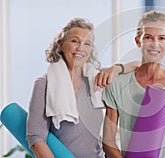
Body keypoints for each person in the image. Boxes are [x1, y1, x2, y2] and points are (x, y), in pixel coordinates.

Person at [26, 17, 140, 158]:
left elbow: (139, 66)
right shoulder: (44, 84)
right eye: (74, 41)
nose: (80, 48)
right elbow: (36, 139)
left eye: (87, 44)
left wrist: (116, 68)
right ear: (61, 44)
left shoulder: (97, 78)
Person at [102, 11, 165, 158]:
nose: (155, 43)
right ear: (138, 41)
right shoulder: (117, 85)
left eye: (161, 38)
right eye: (148, 37)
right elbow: (108, 141)